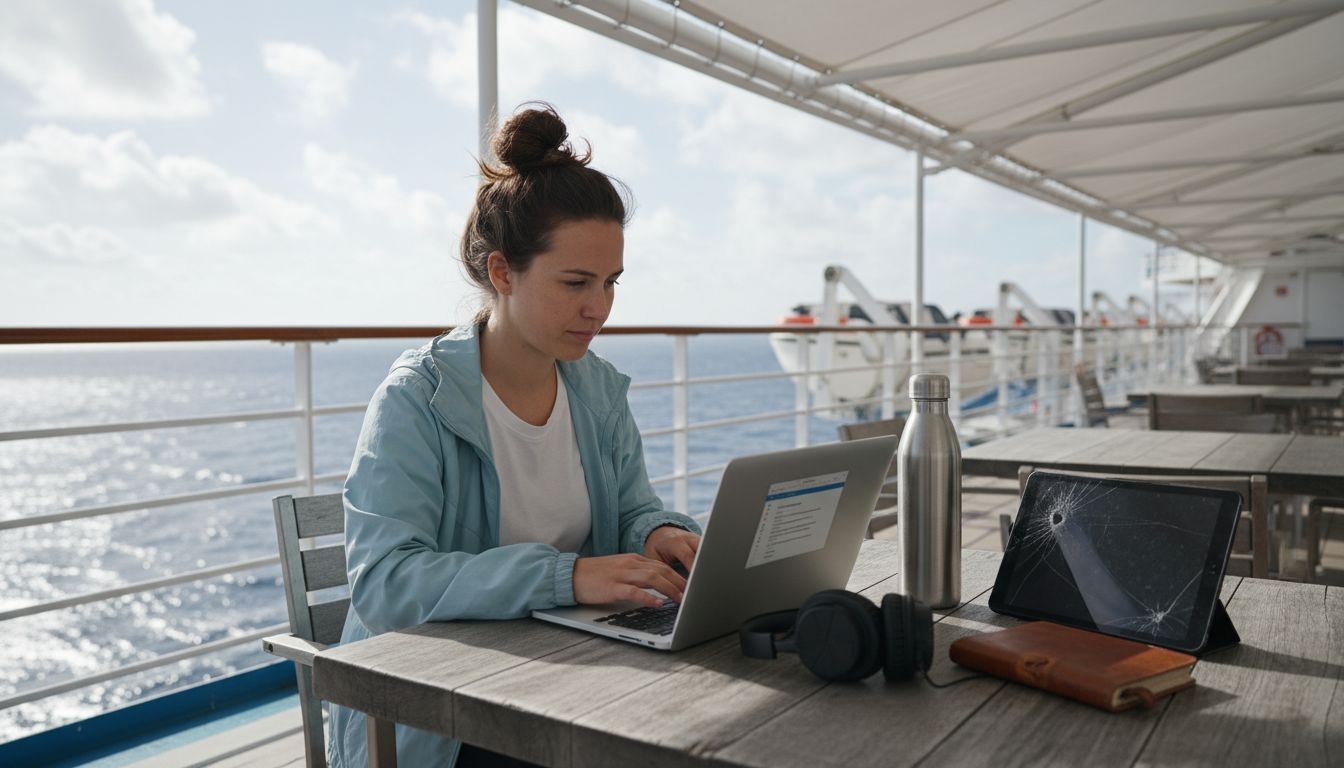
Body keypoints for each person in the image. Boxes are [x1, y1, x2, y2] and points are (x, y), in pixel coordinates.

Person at [328, 104, 703, 768]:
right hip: (441, 719)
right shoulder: (416, 399)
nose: (599, 308)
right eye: (576, 282)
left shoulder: (598, 390)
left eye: (610, 283)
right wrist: (566, 577)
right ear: (503, 273)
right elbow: (387, 583)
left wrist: (658, 534)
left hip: (565, 678)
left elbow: (632, 508)